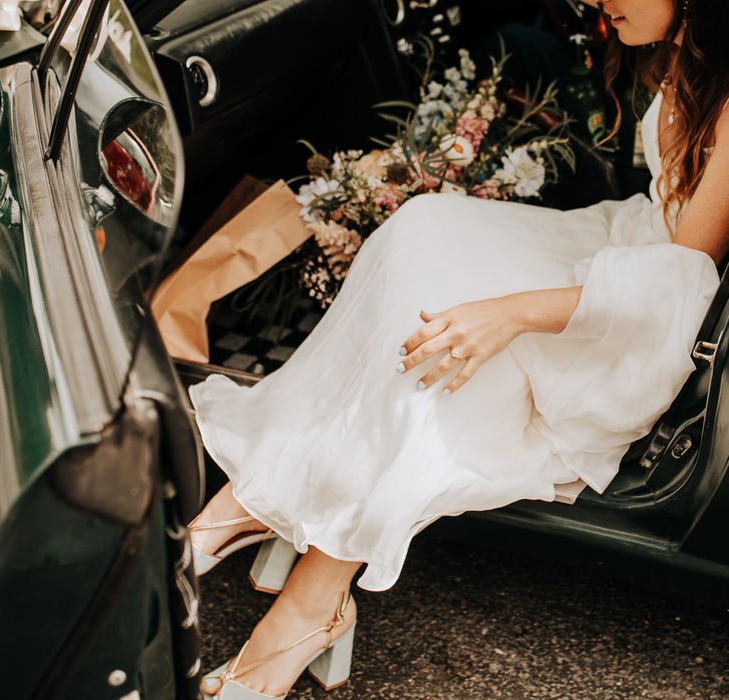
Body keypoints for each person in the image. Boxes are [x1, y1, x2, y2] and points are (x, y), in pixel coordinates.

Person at [187, 1, 729, 696]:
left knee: (453, 355)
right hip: (622, 244)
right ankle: (265, 506)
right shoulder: (685, 48)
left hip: (641, 316)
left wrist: (510, 314)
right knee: (425, 228)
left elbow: (682, 284)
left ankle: (305, 600)